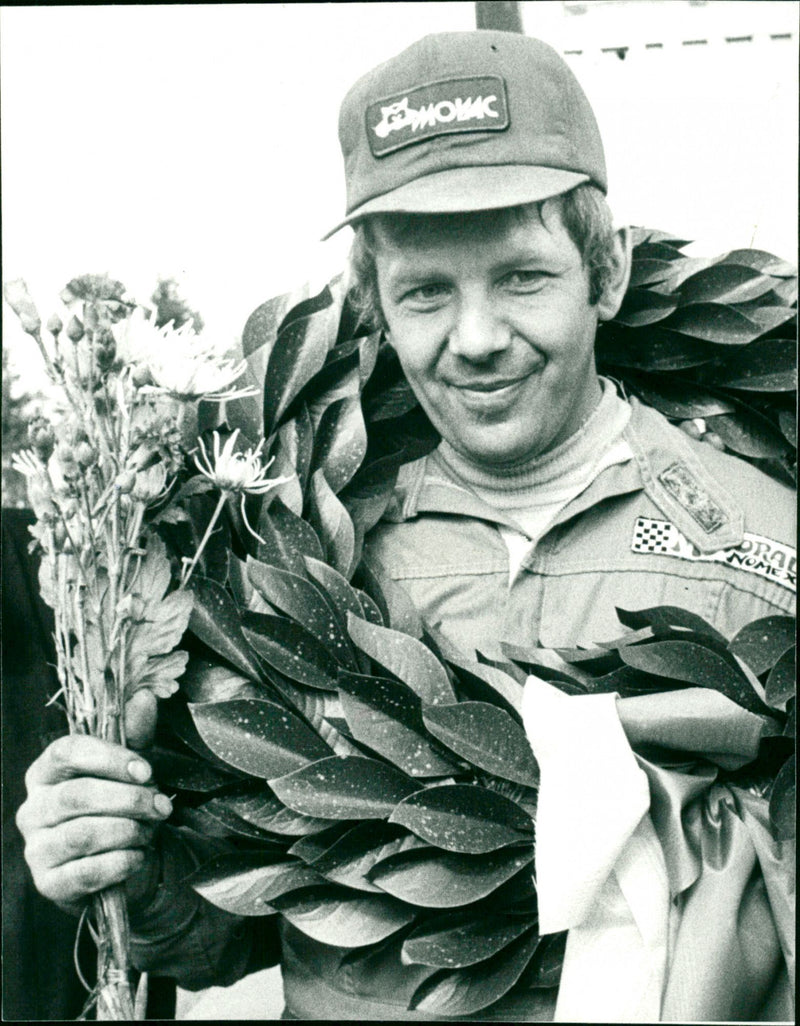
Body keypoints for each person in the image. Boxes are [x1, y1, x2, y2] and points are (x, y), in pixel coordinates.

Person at [16, 31, 795, 1022]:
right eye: (425, 290)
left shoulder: (765, 554)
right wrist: (119, 861)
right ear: (375, 305)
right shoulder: (280, 571)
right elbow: (227, 933)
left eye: (519, 277)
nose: (473, 339)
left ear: (604, 271)